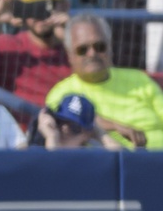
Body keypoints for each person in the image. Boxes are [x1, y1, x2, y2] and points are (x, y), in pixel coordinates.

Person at [44, 12, 163, 150]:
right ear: (69, 55)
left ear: (110, 48)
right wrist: (114, 126)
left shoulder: (140, 79)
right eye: (83, 50)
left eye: (100, 47)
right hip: (107, 165)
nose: (92, 54)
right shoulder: (61, 94)